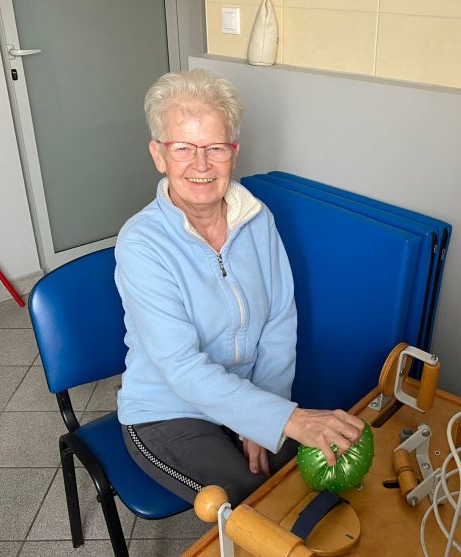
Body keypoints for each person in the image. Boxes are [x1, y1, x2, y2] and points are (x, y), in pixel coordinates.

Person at [115, 68, 364, 506]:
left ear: (234, 152)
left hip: (248, 393)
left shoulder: (257, 218)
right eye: (183, 148)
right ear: (159, 154)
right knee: (258, 505)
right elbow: (182, 368)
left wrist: (263, 415)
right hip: (167, 411)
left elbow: (279, 320)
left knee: (317, 480)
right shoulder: (141, 243)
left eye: (215, 148)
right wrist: (281, 419)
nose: (201, 165)